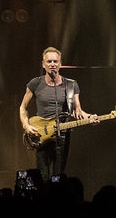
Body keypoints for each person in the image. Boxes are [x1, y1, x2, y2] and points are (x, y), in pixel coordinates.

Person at [19, 46, 97, 183]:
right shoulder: (35, 83)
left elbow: (77, 111)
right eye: (49, 62)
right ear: (43, 64)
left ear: (60, 64)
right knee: (43, 177)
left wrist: (90, 117)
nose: (52, 64)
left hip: (62, 137)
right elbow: (23, 107)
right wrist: (26, 125)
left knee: (58, 178)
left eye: (55, 61)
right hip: (41, 134)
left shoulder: (71, 85)